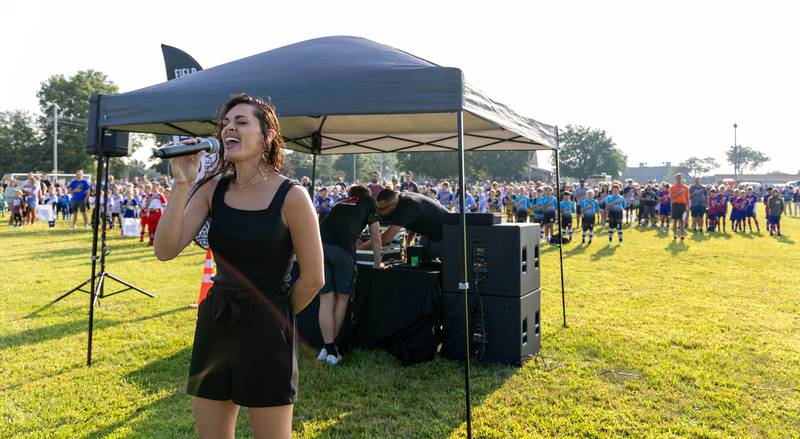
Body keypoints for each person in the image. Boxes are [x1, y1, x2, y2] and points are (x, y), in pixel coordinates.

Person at [154, 94, 324, 438]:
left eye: (241, 122)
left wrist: (274, 314)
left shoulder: (292, 196)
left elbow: (314, 278)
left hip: (268, 327)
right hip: (217, 321)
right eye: (226, 123)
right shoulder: (211, 189)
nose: (229, 128)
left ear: (268, 136)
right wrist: (182, 182)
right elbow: (165, 249)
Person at [317, 184, 383, 365]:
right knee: (342, 300)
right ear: (367, 195)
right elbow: (377, 237)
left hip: (320, 248)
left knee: (325, 300)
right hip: (342, 251)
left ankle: (326, 347)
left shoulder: (340, 201)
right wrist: (378, 265)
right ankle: (332, 349)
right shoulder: (369, 201)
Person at [369, 189, 451, 259]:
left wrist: (362, 246)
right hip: (429, 235)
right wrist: (408, 243)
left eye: (381, 209)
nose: (379, 212)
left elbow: (386, 238)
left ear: (392, 206)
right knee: (419, 261)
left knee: (436, 268)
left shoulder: (407, 206)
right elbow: (414, 221)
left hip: (446, 235)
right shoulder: (401, 199)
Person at [668, 174, 689, 241]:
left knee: (682, 221)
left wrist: (688, 206)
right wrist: (679, 192)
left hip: (682, 205)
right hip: (675, 205)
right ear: (676, 179)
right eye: (677, 178)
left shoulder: (685, 187)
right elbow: (671, 197)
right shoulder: (673, 187)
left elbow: (687, 198)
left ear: (682, 179)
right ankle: (675, 235)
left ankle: (682, 235)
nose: (679, 180)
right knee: (675, 220)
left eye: (680, 178)